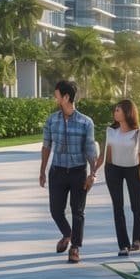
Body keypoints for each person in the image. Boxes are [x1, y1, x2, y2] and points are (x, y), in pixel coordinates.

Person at [39, 79, 98, 264]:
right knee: (56, 210)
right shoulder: (52, 120)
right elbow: (46, 146)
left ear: (66, 97)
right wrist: (42, 171)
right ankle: (68, 233)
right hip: (57, 171)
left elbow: (90, 151)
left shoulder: (85, 122)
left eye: (56, 94)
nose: (54, 97)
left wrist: (92, 174)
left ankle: (75, 247)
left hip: (78, 172)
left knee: (77, 211)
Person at [95, 99, 140, 256]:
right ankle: (123, 245)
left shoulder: (139, 132)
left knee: (135, 206)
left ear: (128, 112)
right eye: (115, 110)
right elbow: (105, 154)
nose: (115, 112)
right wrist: (94, 171)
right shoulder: (110, 130)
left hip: (133, 169)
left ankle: (137, 240)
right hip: (113, 169)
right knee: (117, 207)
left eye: (118, 110)